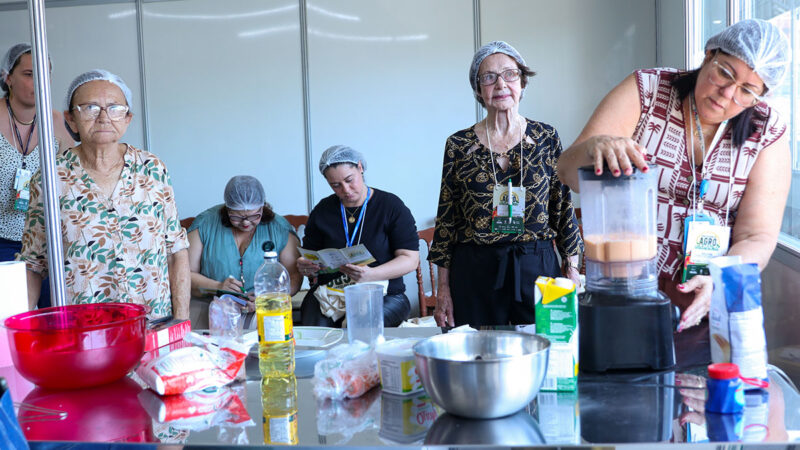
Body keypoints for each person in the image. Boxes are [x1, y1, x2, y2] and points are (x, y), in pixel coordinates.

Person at [556, 19, 791, 333]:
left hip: (707, 293)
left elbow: (756, 236)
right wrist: (596, 147)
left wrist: (723, 279)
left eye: (747, 91)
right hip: (627, 284)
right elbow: (567, 172)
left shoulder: (767, 132)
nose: (727, 94)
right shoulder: (649, 90)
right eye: (724, 73)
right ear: (708, 54)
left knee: (704, 378)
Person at [428, 41, 583, 327]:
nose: (500, 84)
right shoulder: (459, 145)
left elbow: (563, 210)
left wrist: (572, 269)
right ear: (478, 89)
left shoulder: (546, 137)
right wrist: (443, 290)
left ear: (523, 83)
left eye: (510, 74)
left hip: (537, 266)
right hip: (475, 271)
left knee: (549, 351)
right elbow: (447, 221)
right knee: (479, 356)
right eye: (489, 77)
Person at [18, 69, 190, 319]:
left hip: (152, 326)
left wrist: (182, 320)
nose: (104, 117)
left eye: (115, 108)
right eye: (90, 108)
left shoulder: (152, 169)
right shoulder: (49, 178)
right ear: (71, 119)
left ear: (128, 118)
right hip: (84, 330)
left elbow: (176, 250)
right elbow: (32, 265)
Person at [296, 145, 419, 327]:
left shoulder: (390, 206)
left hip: (384, 294)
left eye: (349, 180)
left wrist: (371, 275)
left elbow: (410, 259)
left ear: (360, 167)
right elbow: (309, 254)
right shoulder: (323, 210)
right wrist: (305, 265)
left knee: (360, 325)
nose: (345, 190)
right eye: (336, 185)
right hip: (331, 293)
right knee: (314, 333)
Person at [0, 43, 74, 309]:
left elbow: (73, 182)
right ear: (7, 77)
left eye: (44, 73)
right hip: (2, 242)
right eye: (29, 74)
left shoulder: (59, 124)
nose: (38, 80)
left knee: (50, 319)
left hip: (47, 245)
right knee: (9, 318)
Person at [187, 175, 302, 313]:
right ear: (227, 209)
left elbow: (294, 276)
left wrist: (269, 299)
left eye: (254, 216)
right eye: (236, 217)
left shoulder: (279, 228)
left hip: (265, 307)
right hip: (211, 306)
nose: (246, 223)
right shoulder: (205, 224)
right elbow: (185, 274)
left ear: (262, 207)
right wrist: (217, 287)